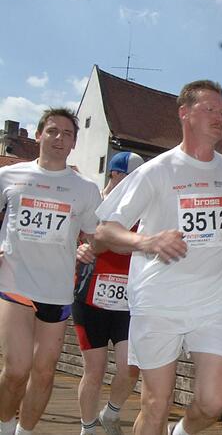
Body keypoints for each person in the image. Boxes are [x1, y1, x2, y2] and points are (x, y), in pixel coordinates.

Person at [94, 80, 222, 435]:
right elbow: (105, 230)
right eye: (209, 109)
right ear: (184, 114)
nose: (219, 117)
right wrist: (147, 240)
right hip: (159, 300)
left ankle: (180, 432)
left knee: (213, 403)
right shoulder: (157, 170)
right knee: (156, 403)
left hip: (213, 302)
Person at [0, 108, 103, 435]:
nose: (60, 138)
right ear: (39, 134)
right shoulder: (10, 176)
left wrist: (90, 248)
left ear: (74, 143)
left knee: (44, 373)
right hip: (15, 281)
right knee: (16, 370)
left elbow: (95, 234)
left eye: (68, 134)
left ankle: (25, 431)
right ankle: (4, 424)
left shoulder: (85, 189)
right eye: (53, 131)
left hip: (57, 290)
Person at [73, 152, 144, 435]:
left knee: (131, 367)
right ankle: (87, 427)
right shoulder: (94, 205)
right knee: (95, 369)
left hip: (127, 302)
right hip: (90, 298)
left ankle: (110, 413)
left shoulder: (141, 209)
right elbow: (74, 239)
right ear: (115, 175)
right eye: (130, 178)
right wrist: (78, 248)